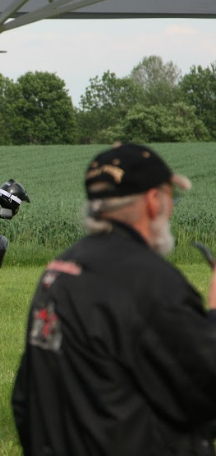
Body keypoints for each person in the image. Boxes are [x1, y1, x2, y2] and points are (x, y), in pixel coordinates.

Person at [12, 142, 216, 456]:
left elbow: (26, 399)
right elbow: (204, 387)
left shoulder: (59, 270)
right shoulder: (150, 280)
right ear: (153, 202)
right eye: (170, 197)